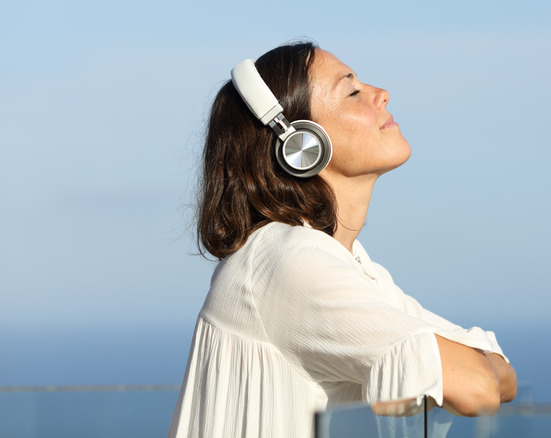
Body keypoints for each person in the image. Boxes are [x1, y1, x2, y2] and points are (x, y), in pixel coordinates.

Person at [168, 41, 517, 438]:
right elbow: (479, 388)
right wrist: (465, 365)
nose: (380, 94)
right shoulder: (290, 261)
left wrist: (467, 365)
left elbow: (503, 376)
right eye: (352, 92)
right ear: (303, 145)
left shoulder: (352, 265)